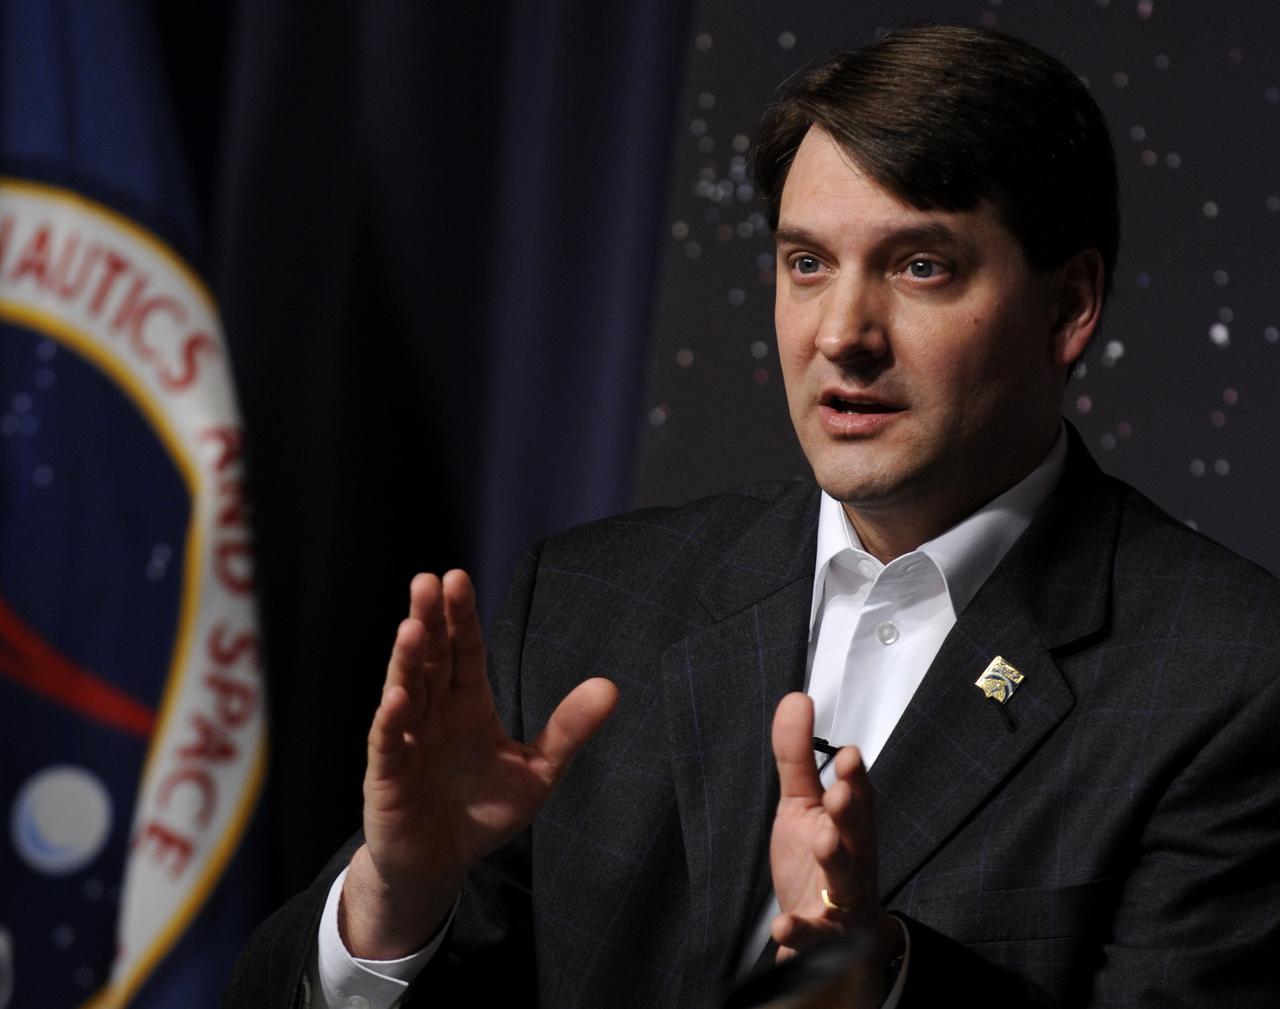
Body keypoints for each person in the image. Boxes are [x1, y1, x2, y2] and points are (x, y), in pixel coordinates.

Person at [224, 25, 1280, 1009]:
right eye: (805, 262)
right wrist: (396, 897)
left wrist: (884, 979)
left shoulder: (1227, 678)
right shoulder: (591, 602)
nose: (840, 335)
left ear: (1067, 305)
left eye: (919, 266)